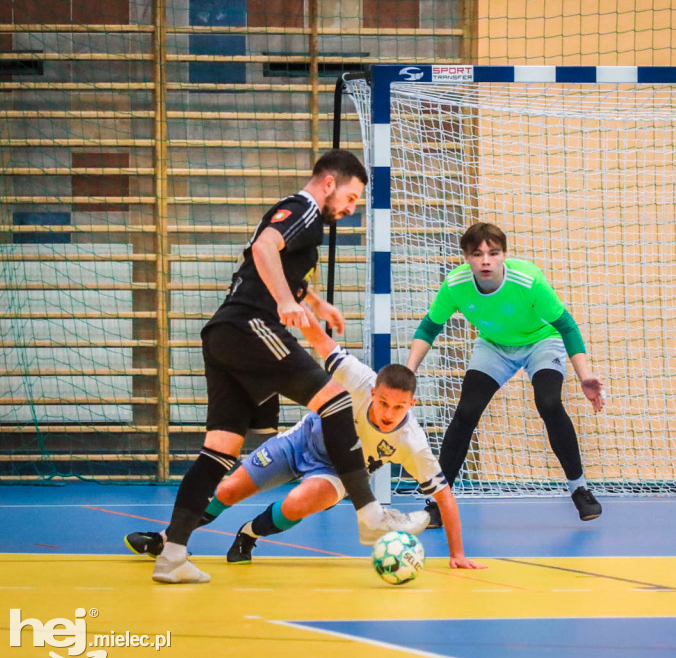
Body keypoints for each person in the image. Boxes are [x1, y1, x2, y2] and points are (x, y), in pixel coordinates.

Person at [150, 149, 426, 584]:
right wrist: (283, 301)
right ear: (330, 183)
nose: (350, 209)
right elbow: (263, 249)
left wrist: (314, 301)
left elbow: (274, 264)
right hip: (249, 326)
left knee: (218, 453)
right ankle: (369, 513)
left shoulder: (299, 223)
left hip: (223, 337)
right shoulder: (305, 209)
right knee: (335, 402)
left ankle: (172, 556)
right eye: (351, 199)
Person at [126, 307, 485, 570]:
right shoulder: (358, 378)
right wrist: (301, 307)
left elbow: (444, 496)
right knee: (227, 490)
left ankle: (249, 533)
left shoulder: (412, 441)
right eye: (384, 402)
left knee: (301, 500)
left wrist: (457, 554)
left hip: (338, 473)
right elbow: (321, 341)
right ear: (373, 392)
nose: (389, 412)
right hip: (300, 443)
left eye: (399, 406)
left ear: (412, 404)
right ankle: (165, 539)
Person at [406, 222, 605, 525]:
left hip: (540, 339)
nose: (485, 260)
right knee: (466, 411)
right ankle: (438, 502)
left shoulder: (528, 280)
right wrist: (408, 373)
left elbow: (566, 325)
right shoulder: (455, 284)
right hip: (494, 345)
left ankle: (580, 490)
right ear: (466, 257)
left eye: (493, 253)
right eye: (477, 254)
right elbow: (429, 327)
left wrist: (585, 375)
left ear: (504, 256)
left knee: (549, 403)